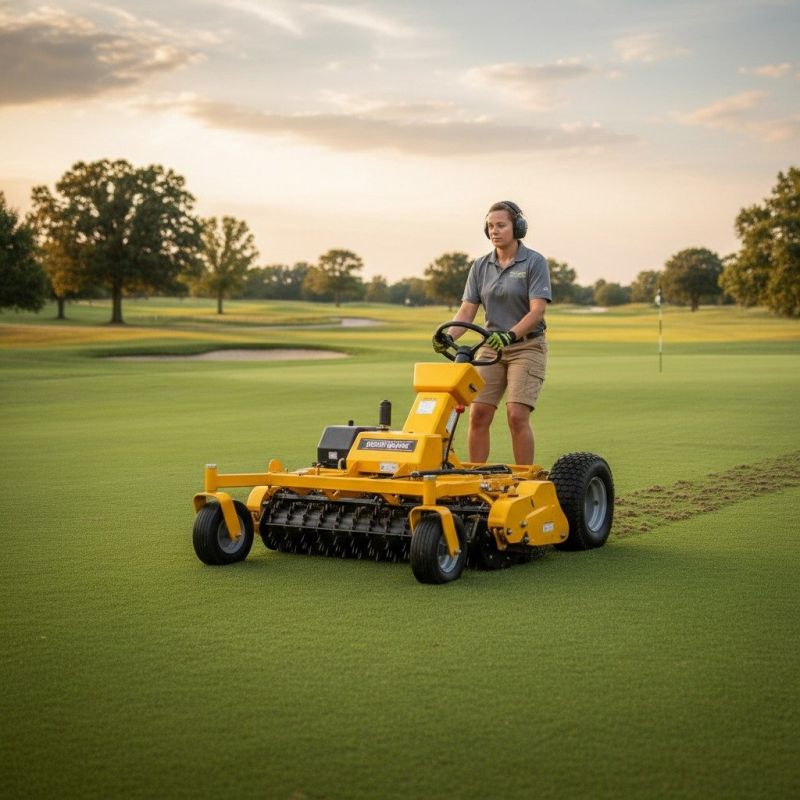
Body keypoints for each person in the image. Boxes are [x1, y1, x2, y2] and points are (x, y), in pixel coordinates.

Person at [433, 200, 551, 465]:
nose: (494, 231)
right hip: (490, 346)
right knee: (478, 414)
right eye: (490, 226)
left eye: (501, 225)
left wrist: (511, 335)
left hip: (527, 346)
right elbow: (466, 311)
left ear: (517, 228)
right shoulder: (480, 266)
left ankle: (524, 479)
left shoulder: (534, 262)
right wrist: (449, 336)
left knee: (516, 415)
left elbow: (537, 312)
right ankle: (477, 477)